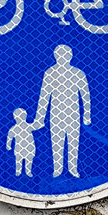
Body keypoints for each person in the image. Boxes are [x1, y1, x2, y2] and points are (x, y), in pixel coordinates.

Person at [33, 45, 91, 178]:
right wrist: (40, 118)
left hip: (73, 114)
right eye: (60, 55)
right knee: (57, 141)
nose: (62, 58)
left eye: (65, 55)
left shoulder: (78, 73)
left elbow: (85, 95)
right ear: (55, 56)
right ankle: (57, 169)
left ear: (70, 56)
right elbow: (44, 96)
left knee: (73, 141)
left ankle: (73, 169)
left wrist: (87, 115)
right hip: (56, 114)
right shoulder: (50, 73)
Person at [6, 108, 36, 177]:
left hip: (29, 148)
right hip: (20, 148)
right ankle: (18, 172)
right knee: (19, 160)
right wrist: (8, 145)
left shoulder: (28, 126)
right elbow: (9, 137)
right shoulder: (14, 128)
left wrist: (9, 145)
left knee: (28, 160)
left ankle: (28, 172)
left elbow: (9, 137)